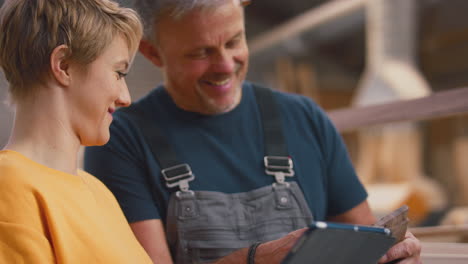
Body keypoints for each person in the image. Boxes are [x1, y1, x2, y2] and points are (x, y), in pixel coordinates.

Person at [84, 0, 422, 263]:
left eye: (234, 41)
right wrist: (253, 260)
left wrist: (393, 253)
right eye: (201, 53)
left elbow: (364, 242)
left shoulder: (304, 118)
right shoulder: (121, 139)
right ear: (152, 52)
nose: (225, 65)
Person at [0, 0, 152, 263]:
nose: (125, 98)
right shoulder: (9, 187)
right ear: (64, 65)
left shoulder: (99, 192)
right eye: (118, 72)